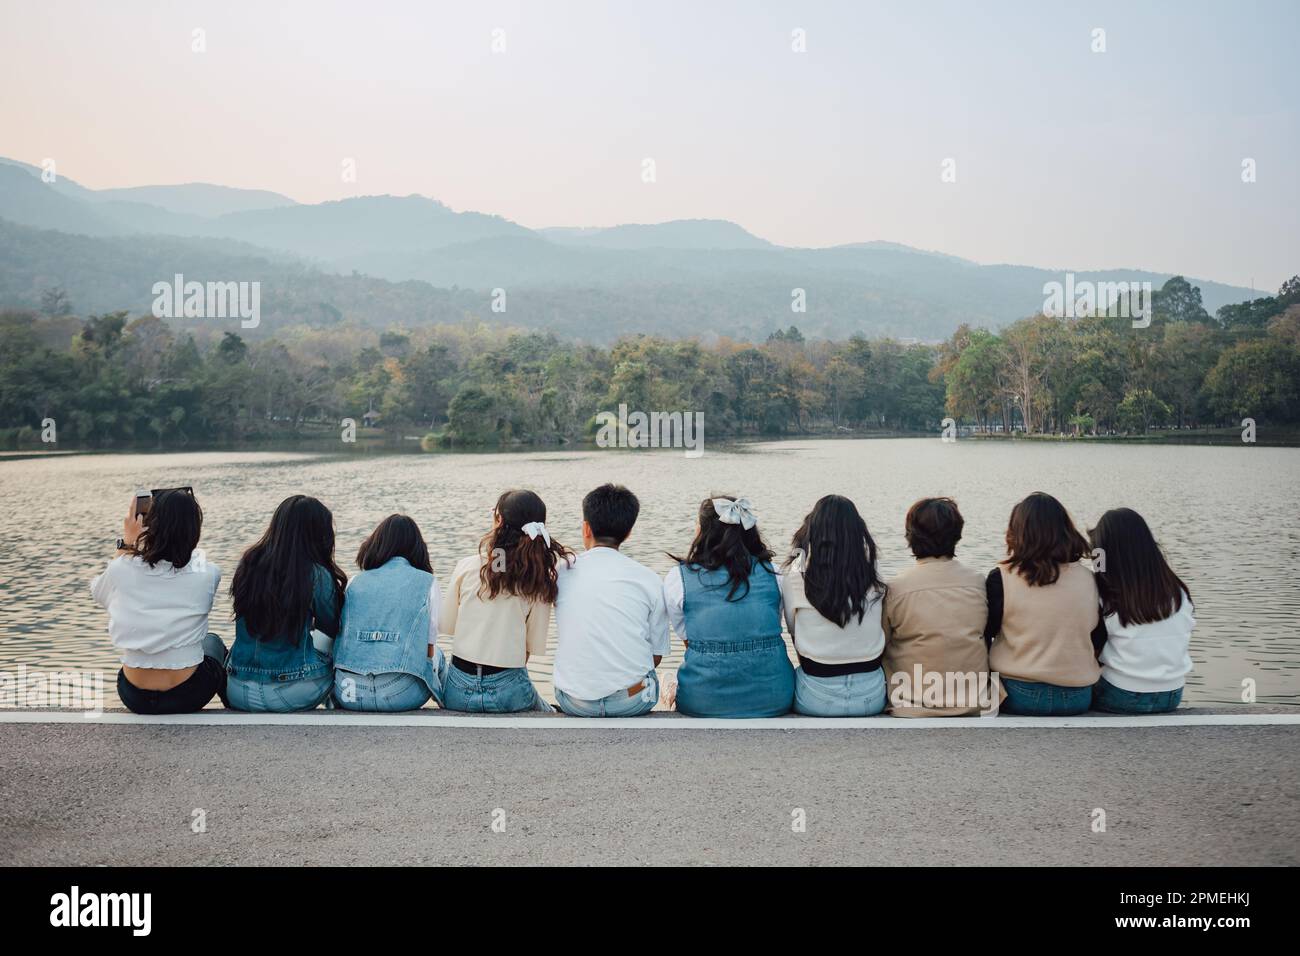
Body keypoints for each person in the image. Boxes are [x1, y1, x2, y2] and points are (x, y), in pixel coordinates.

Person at [91, 489, 225, 714]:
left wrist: (127, 543)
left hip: (134, 696)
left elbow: (98, 593)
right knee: (212, 642)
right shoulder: (208, 573)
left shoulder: (121, 569)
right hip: (189, 695)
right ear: (194, 529)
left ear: (149, 526)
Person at [440, 490, 571, 713]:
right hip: (507, 691)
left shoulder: (467, 566)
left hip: (457, 691)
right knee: (551, 712)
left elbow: (448, 626)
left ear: (498, 520)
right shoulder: (538, 579)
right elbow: (530, 649)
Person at [665, 495, 793, 718]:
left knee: (670, 678)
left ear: (702, 532)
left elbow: (689, 639)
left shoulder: (679, 578)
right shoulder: (775, 574)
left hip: (703, 700)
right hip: (774, 697)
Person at [553, 484, 669, 717]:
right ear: (628, 533)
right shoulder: (649, 579)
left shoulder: (561, 571)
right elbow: (655, 656)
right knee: (658, 677)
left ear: (586, 528)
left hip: (573, 701)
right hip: (632, 702)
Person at [985, 492, 1103, 716]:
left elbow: (986, 632)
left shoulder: (1002, 577)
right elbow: (1098, 638)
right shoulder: (1090, 579)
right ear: (1066, 530)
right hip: (1078, 696)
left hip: (1018, 693)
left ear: (1017, 532)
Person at [226, 495, 347, 712]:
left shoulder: (248, 562)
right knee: (332, 647)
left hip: (237, 691)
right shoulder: (315, 574)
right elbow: (332, 627)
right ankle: (336, 710)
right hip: (289, 692)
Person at [882, 497, 992, 717]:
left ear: (910, 536)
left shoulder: (896, 589)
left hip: (911, 701)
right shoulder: (978, 583)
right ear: (957, 535)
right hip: (973, 700)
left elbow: (879, 644)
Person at [781, 495, 888, 716]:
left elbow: (796, 636)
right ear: (858, 532)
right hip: (872, 696)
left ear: (813, 532)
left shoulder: (796, 578)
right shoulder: (873, 574)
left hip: (815, 698)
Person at [332, 514, 447, 712]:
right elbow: (430, 646)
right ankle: (447, 704)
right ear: (417, 547)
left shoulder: (355, 582)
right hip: (399, 693)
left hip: (349, 692)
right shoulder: (426, 582)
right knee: (438, 655)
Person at [1088, 508, 1194, 714]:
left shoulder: (1105, 591)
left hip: (1121, 693)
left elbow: (1091, 645)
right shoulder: (1177, 590)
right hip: (1172, 694)